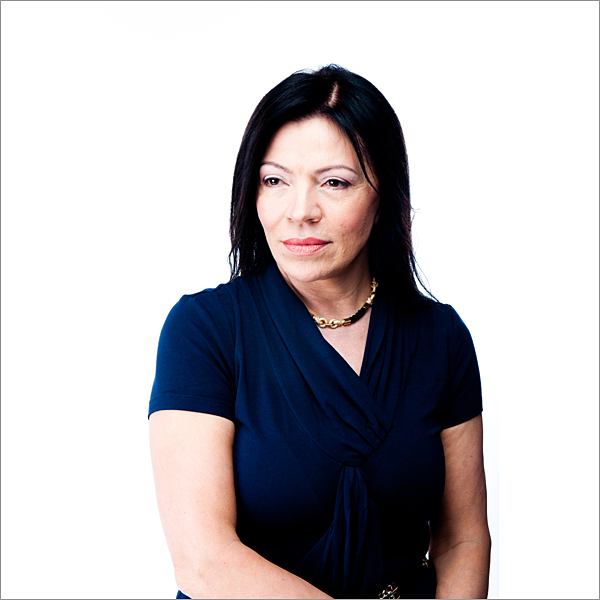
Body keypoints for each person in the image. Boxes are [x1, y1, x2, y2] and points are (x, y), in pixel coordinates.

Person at [148, 65, 491, 599]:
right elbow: (204, 561)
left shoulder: (440, 336)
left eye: (335, 182)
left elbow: (462, 540)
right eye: (275, 181)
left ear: (383, 195)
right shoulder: (205, 329)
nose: (300, 211)